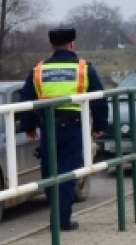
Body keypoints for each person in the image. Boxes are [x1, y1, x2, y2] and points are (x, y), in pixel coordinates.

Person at [19, 27, 107, 231]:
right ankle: (62, 219)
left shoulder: (39, 70)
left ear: (52, 45)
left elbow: (26, 100)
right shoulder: (83, 68)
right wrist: (99, 126)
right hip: (73, 127)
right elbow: (99, 100)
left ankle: (56, 213)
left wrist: (28, 127)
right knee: (68, 172)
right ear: (72, 44)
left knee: (50, 172)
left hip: (48, 126)